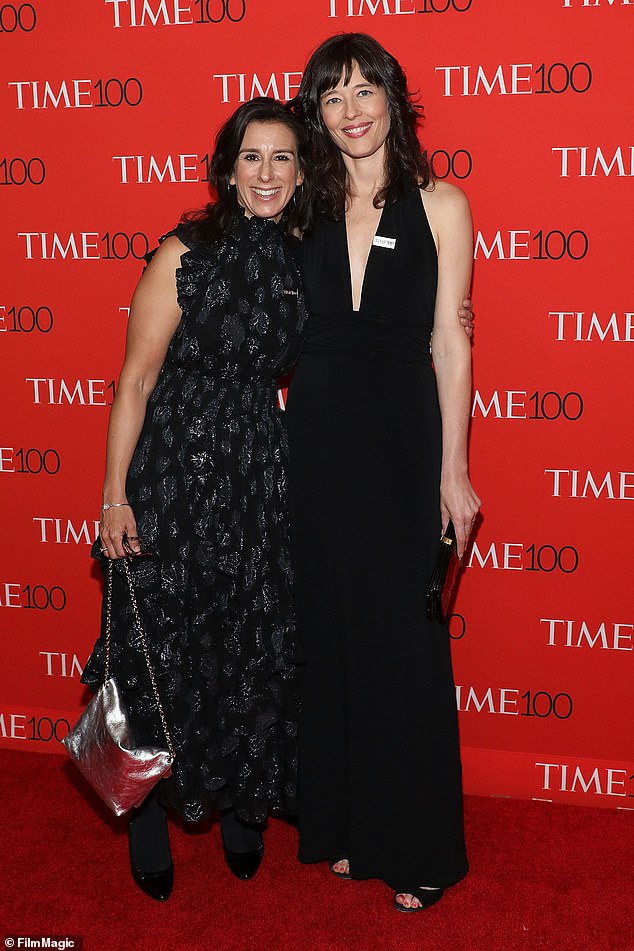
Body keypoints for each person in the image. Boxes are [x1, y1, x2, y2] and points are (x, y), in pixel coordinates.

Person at [81, 97, 310, 902]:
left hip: (256, 476)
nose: (268, 172)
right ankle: (145, 817)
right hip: (172, 471)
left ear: (302, 168)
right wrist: (115, 496)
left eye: (283, 157)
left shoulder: (302, 260)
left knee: (247, 637)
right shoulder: (185, 251)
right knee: (158, 650)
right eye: (253, 156)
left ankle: (245, 808)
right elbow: (136, 380)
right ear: (226, 168)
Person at [286, 33, 481, 912]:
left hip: (403, 440)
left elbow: (450, 339)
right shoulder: (299, 207)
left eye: (365, 90)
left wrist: (455, 472)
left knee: (403, 640)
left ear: (394, 100)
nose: (352, 110)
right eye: (333, 97)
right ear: (317, 116)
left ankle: (420, 845)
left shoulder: (442, 204)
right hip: (317, 443)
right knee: (329, 631)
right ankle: (351, 824)